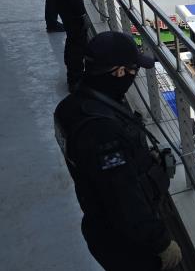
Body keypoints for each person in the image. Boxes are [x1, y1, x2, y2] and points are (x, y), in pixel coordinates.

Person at [54, 31, 182, 271]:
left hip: (101, 226)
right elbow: (123, 198)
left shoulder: (72, 106)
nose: (135, 75)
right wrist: (161, 243)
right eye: (134, 69)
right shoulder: (101, 130)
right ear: (119, 72)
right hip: (128, 245)